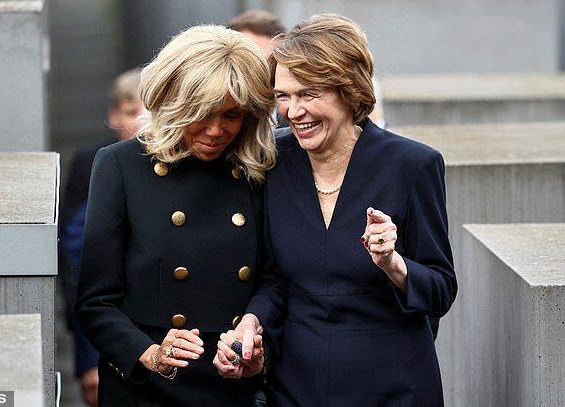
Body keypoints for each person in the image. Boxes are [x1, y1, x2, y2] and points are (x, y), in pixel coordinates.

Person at [215, 14, 457, 406]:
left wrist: (393, 263)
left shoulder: (413, 164)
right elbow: (275, 279)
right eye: (283, 96)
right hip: (296, 387)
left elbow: (441, 289)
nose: (293, 112)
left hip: (394, 387)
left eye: (309, 94)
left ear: (348, 89)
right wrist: (250, 323)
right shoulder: (271, 162)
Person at [75, 24, 277, 406]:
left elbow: (274, 279)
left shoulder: (257, 167)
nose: (216, 131)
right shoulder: (120, 165)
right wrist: (150, 354)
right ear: (172, 102)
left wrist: (253, 343)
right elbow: (95, 302)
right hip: (146, 389)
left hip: (232, 385)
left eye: (231, 116)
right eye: (201, 113)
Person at [58, 68, 145, 407]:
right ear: (113, 115)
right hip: (106, 329)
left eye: (147, 110)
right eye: (130, 112)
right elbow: (77, 263)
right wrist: (86, 358)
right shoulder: (93, 162)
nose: (140, 122)